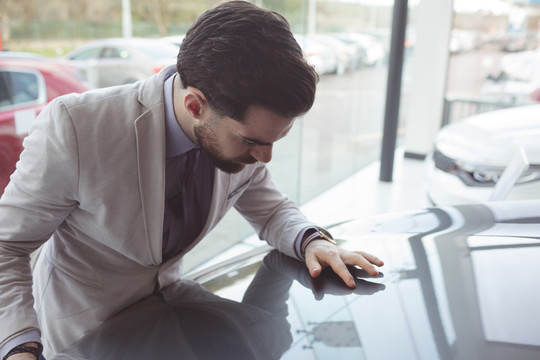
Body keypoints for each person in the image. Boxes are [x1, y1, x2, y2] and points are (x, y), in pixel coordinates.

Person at [0, 1, 383, 359]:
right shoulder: (77, 127)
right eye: (251, 141)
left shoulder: (237, 134)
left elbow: (271, 210)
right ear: (195, 105)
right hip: (86, 335)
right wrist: (19, 346)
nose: (264, 158)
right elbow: (7, 247)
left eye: (274, 141)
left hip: (178, 313)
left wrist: (311, 240)